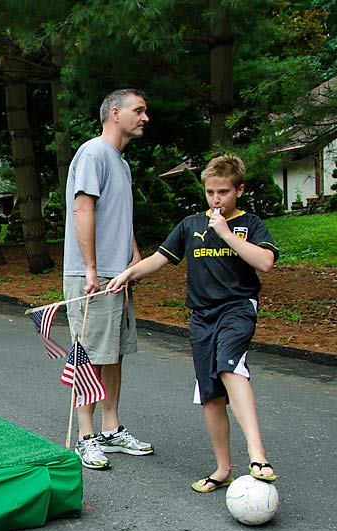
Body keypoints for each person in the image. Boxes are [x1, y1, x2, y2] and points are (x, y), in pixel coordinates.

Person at [108, 155, 279, 491]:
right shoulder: (190, 225)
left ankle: (258, 455)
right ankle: (222, 469)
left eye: (224, 192)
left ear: (239, 190)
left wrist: (227, 234)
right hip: (202, 317)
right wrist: (127, 274)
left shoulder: (251, 224)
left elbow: (266, 262)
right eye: (211, 192)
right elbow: (159, 259)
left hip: (237, 309)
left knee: (230, 366)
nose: (216, 200)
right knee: (211, 393)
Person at [63, 88, 154, 470]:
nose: (145, 117)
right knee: (88, 355)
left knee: (112, 353)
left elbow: (118, 213)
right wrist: (91, 268)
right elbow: (83, 208)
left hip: (118, 272)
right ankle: (86, 436)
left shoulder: (121, 162)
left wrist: (133, 253)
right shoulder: (94, 152)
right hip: (94, 276)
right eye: (139, 110)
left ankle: (111, 428)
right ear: (115, 113)